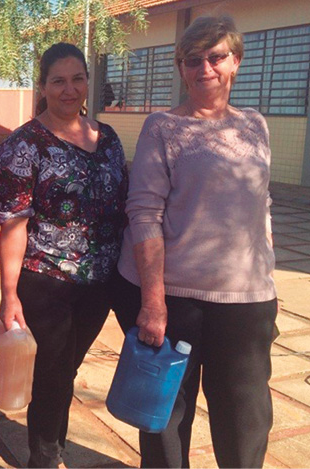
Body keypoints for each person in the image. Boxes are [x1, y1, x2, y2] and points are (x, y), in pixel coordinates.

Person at [111, 15, 277, 468]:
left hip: (245, 301)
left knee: (245, 418)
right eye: (192, 60)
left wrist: (266, 277)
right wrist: (153, 304)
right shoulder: (163, 127)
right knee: (166, 415)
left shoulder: (255, 125)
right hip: (177, 299)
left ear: (236, 61)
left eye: (216, 56)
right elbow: (144, 213)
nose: (205, 68)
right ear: (181, 68)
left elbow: (261, 203)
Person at [0, 43, 128, 468]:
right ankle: (45, 456)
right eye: (58, 81)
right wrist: (9, 295)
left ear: (88, 82)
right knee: (51, 374)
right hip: (45, 281)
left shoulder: (108, 139)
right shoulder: (24, 145)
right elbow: (13, 225)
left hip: (100, 282)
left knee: (67, 370)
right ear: (43, 86)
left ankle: (54, 442)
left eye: (77, 79)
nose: (69, 90)